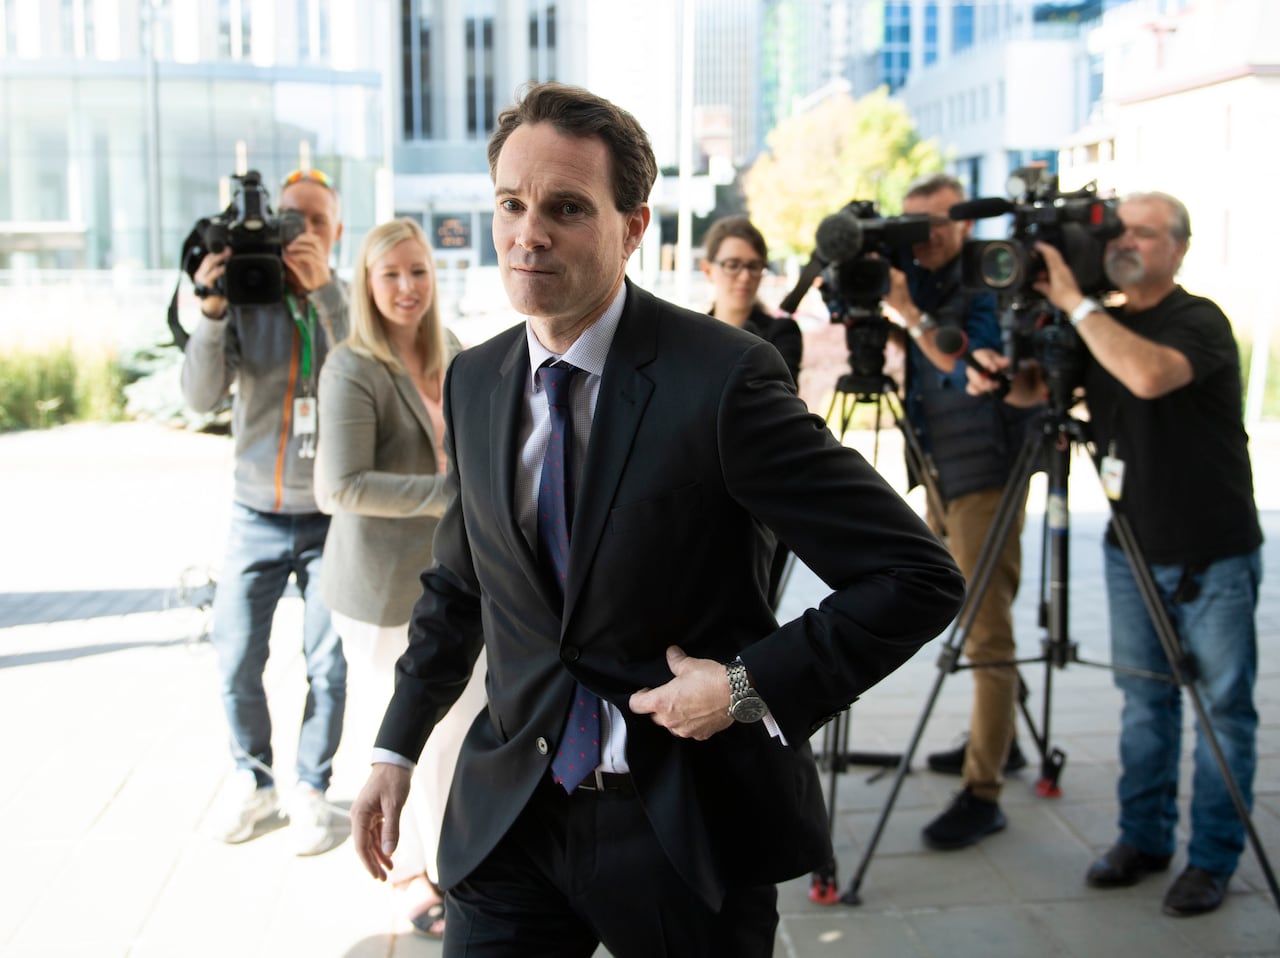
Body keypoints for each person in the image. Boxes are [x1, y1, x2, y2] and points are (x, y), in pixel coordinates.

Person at [348, 81, 965, 958]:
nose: (530, 233)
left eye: (566, 208)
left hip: (682, 830)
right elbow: (460, 586)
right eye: (512, 205)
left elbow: (917, 576)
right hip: (512, 823)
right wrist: (396, 751)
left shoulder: (724, 380)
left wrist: (746, 688)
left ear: (634, 226)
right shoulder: (478, 380)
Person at [967, 191, 1263, 917]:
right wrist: (1005, 378)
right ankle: (1144, 838)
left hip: (1211, 551)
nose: (1125, 241)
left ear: (1180, 248)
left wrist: (1074, 300)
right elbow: (1048, 396)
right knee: (1144, 702)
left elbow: (1146, 376)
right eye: (1119, 230)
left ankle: (1214, 858)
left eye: (1145, 232)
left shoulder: (1196, 320)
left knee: (1222, 710)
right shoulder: (1102, 321)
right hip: (1130, 548)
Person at [313, 218, 485, 937]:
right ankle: (410, 869)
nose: (408, 287)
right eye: (391, 275)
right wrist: (453, 490)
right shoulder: (352, 366)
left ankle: (455, 852)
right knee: (398, 731)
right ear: (367, 284)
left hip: (452, 578)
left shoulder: (455, 352)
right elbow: (340, 486)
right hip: (381, 588)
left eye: (418, 271)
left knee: (459, 724)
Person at [181, 167, 348, 856]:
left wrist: (326, 297)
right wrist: (213, 308)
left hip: (331, 516)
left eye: (314, 221)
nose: (299, 231)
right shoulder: (249, 293)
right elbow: (197, 398)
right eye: (288, 218)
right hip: (253, 511)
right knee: (236, 657)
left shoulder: (346, 299)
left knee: (328, 664)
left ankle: (310, 788)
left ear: (335, 232)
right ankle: (256, 783)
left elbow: (360, 377)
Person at [881, 172, 1034, 850]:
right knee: (978, 616)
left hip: (986, 475)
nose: (928, 237)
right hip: (940, 473)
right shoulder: (920, 278)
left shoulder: (985, 281)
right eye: (915, 226)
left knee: (984, 632)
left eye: (941, 222)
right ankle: (1000, 742)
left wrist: (907, 314)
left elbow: (962, 363)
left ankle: (984, 791)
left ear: (967, 223)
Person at [701, 214, 803, 606]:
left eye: (754, 266)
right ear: (709, 269)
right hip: (702, 486)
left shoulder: (779, 335)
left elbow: (764, 405)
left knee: (757, 605)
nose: (744, 276)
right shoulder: (685, 334)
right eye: (733, 265)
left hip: (763, 484)